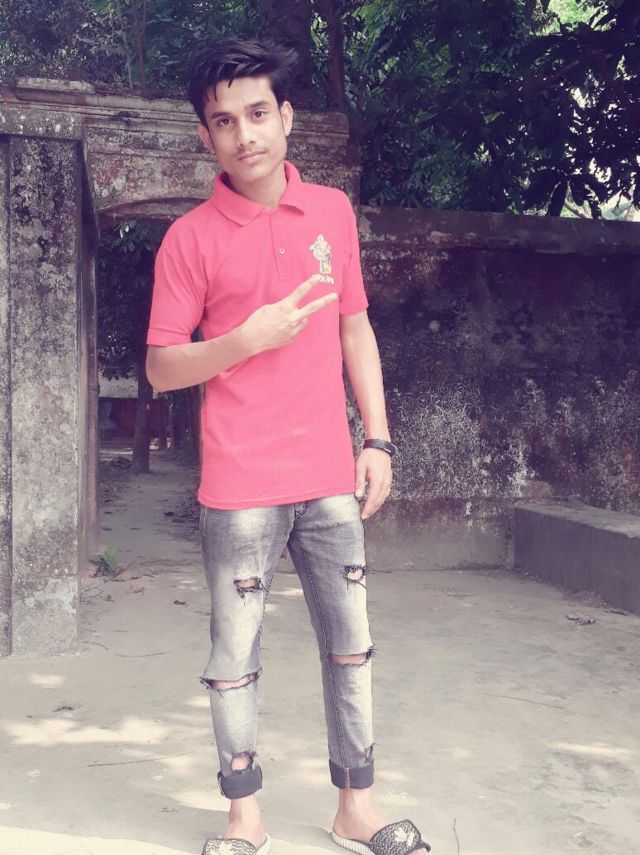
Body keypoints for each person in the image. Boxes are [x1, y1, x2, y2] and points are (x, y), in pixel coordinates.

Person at [145, 35, 430, 855]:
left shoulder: (332, 212)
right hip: (239, 483)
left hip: (329, 474)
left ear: (287, 117)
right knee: (233, 655)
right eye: (224, 121)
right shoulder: (190, 238)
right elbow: (161, 366)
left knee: (351, 645)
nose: (246, 135)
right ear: (206, 136)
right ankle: (244, 819)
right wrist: (246, 338)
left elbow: (354, 328)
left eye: (258, 113)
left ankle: (356, 807)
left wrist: (377, 438)